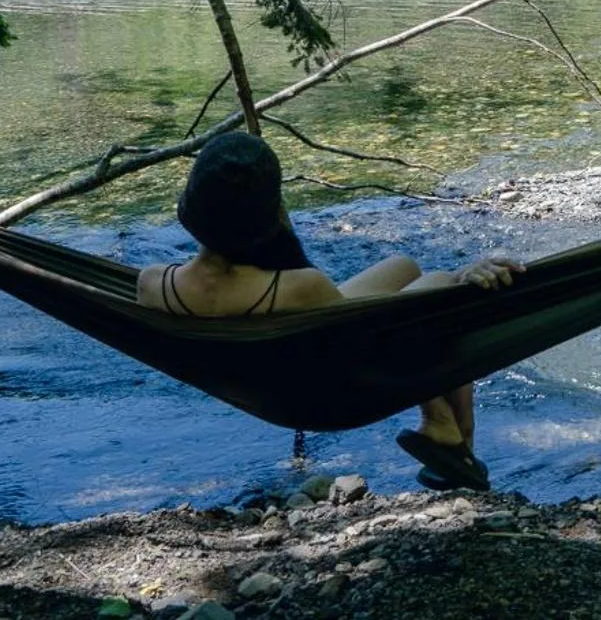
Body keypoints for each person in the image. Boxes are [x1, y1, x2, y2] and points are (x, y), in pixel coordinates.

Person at [136, 131, 523, 490]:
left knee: (403, 267)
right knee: (440, 286)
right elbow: (365, 341)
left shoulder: (152, 284)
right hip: (326, 389)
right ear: (268, 215)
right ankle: (447, 430)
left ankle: (451, 440)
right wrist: (462, 276)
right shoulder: (301, 287)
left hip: (272, 379)